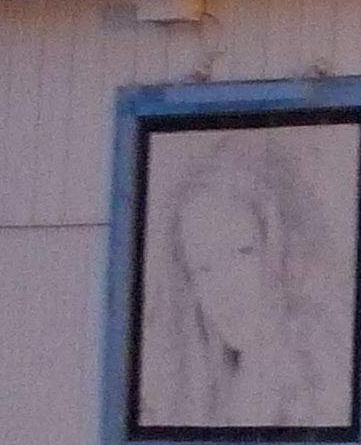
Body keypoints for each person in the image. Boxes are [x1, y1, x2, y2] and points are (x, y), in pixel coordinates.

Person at [140, 132, 343, 429]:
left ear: (282, 250)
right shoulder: (189, 397)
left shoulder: (330, 381)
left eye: (241, 253)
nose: (225, 291)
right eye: (204, 268)